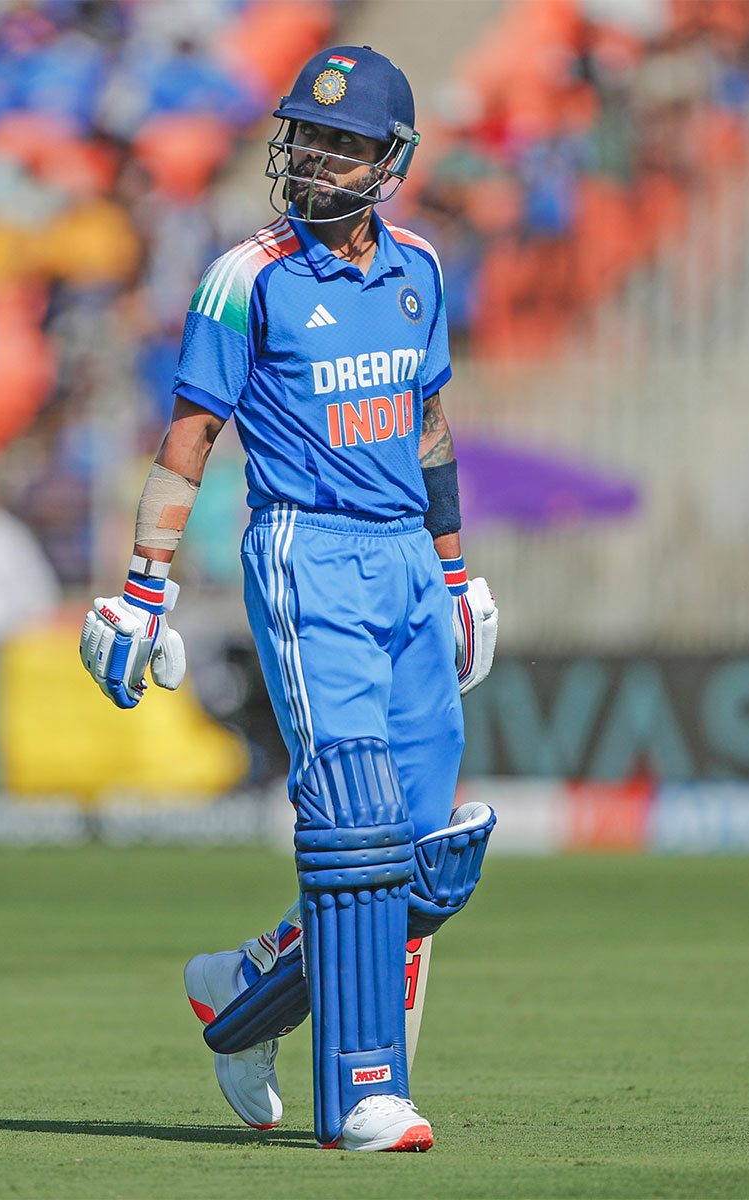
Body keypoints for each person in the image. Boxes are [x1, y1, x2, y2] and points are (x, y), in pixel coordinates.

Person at [79, 45, 499, 1153]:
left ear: (387, 162)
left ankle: (242, 994)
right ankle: (364, 1091)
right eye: (306, 137)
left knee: (417, 857)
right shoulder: (245, 274)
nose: (314, 157)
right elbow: (188, 440)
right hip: (305, 550)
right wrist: (140, 588)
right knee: (354, 817)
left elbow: (429, 428)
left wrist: (456, 571)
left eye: (342, 143)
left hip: (406, 552)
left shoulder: (417, 268)